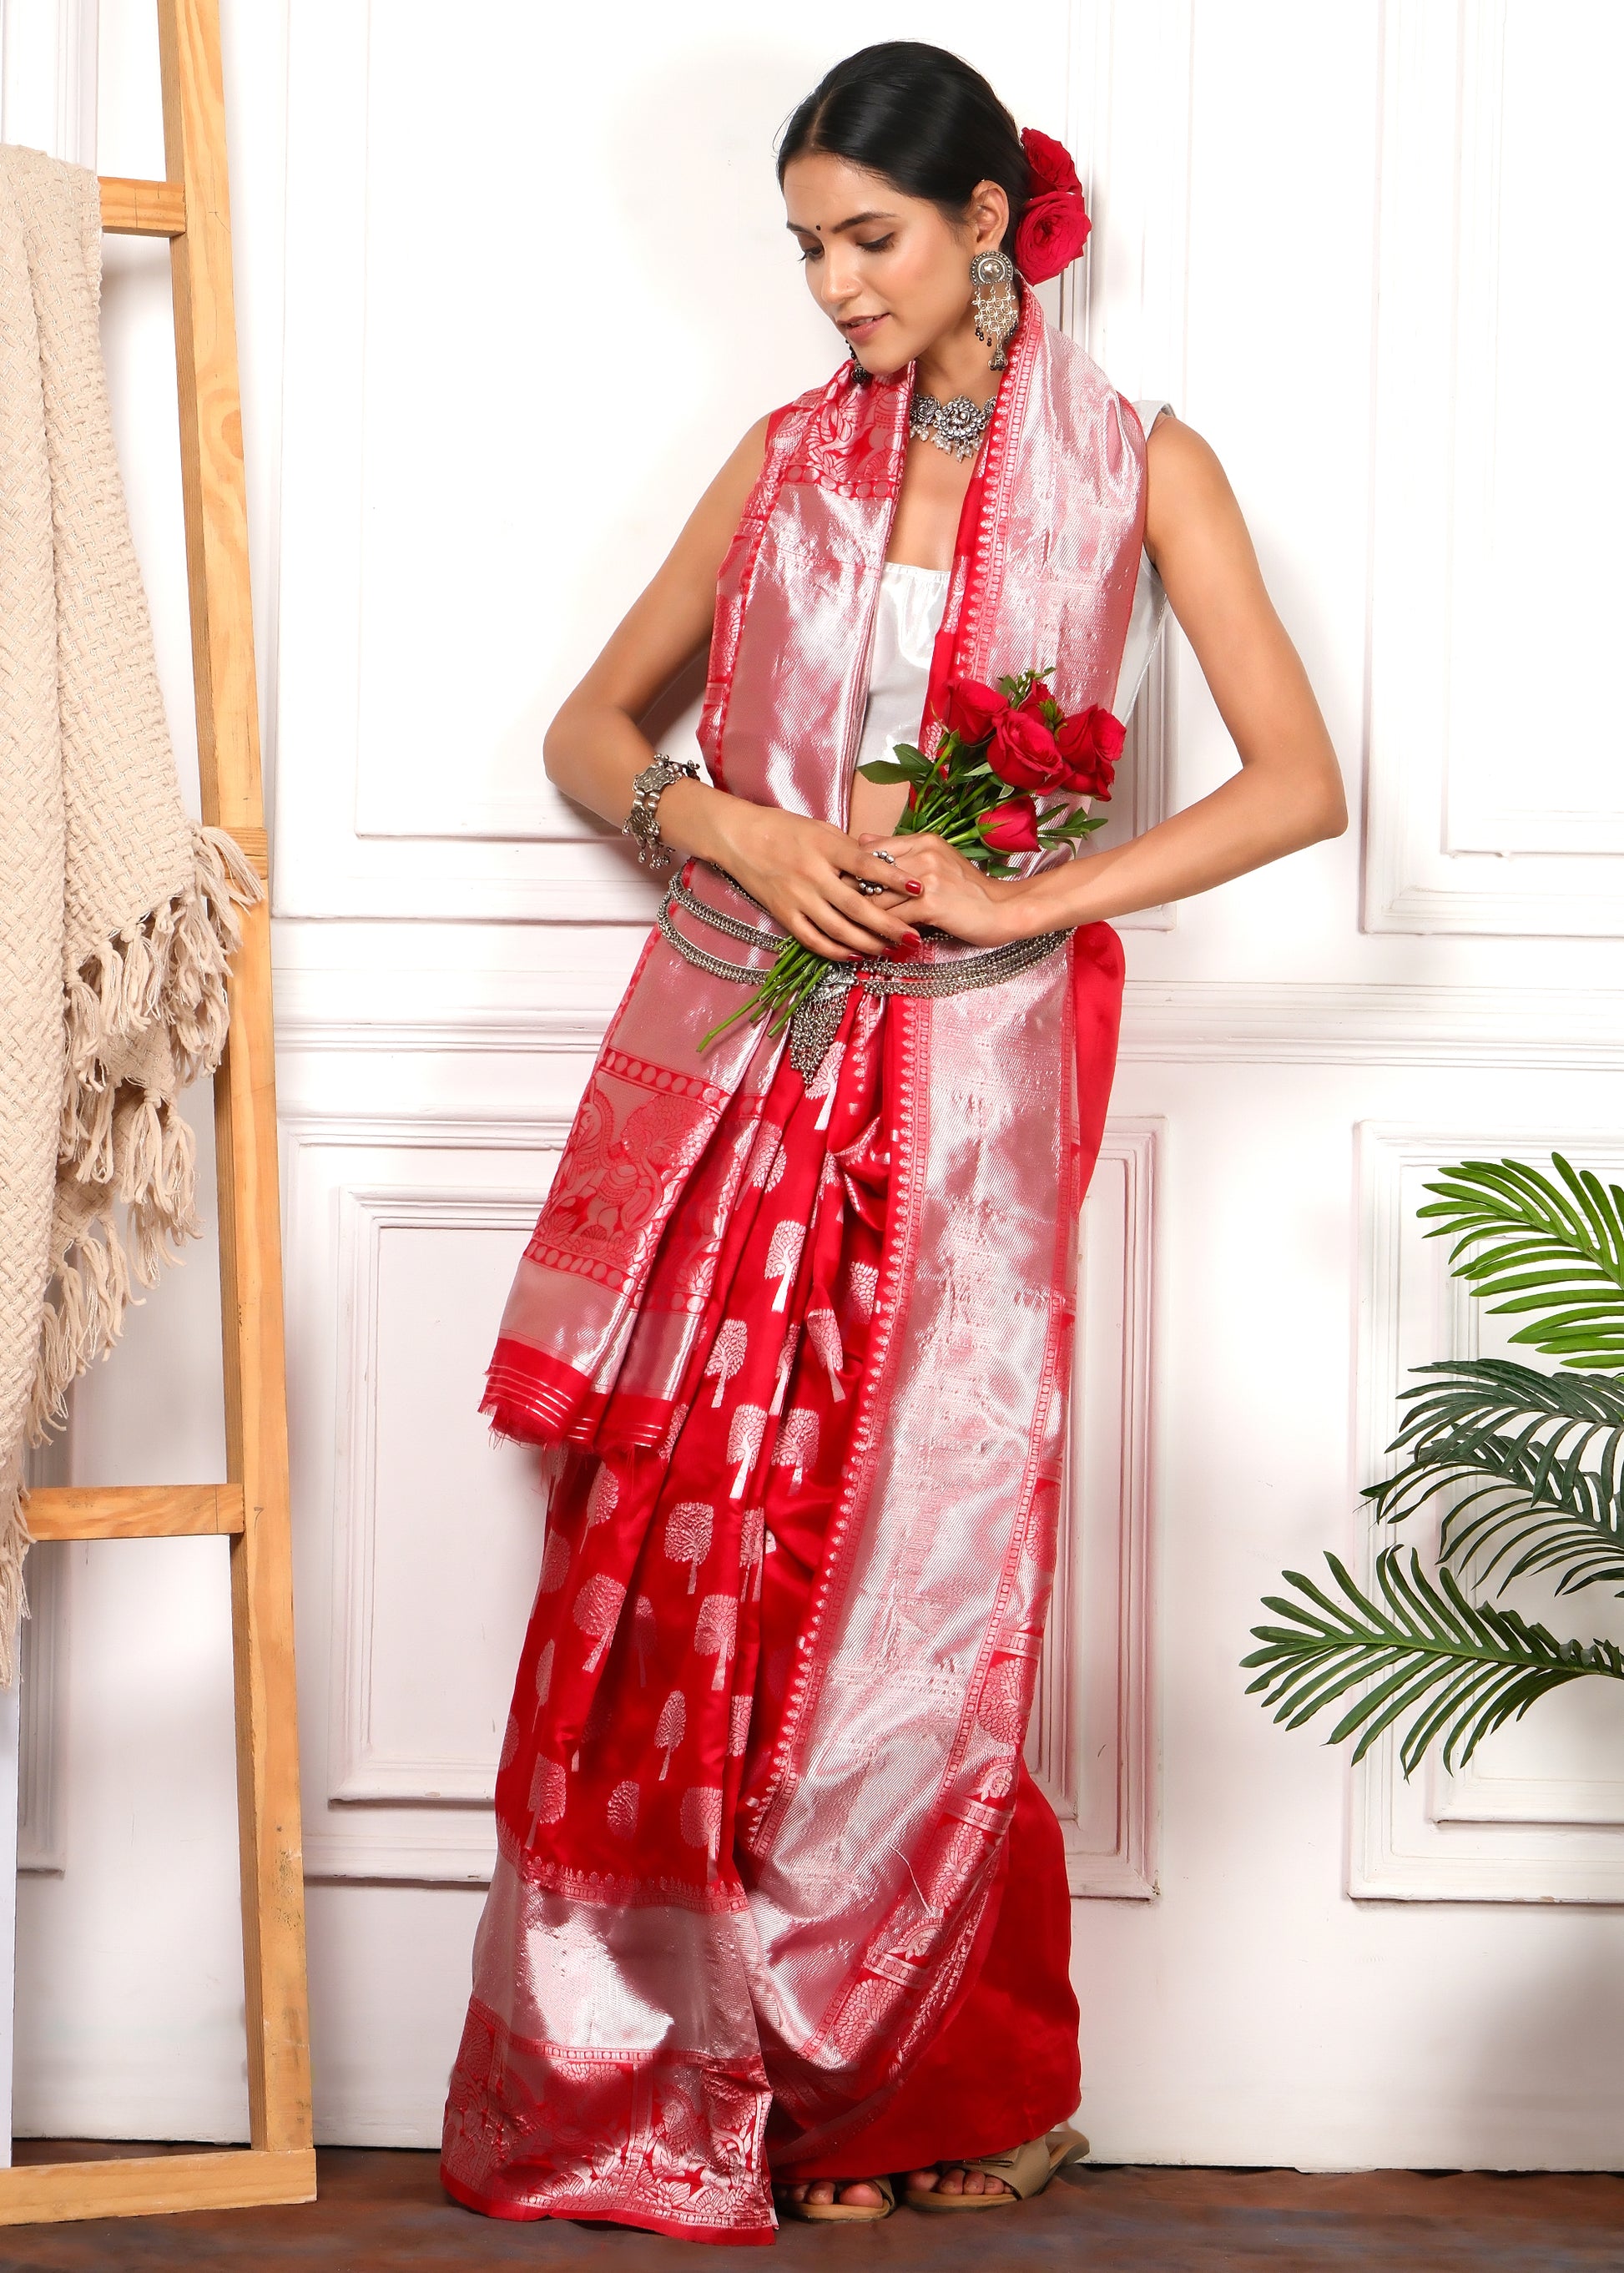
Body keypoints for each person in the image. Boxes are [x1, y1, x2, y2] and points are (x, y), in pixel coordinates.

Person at [439, 40, 1345, 2245]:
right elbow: (588, 724)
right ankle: (682, 2069)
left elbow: (1292, 779)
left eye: (869, 239)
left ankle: (925, 2085)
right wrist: (729, 817)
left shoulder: (1141, 469)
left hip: (965, 1107)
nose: (834, 285)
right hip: (747, 1068)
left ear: (985, 228)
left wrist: (1029, 895)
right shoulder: (777, 465)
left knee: (912, 1582)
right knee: (691, 1552)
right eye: (805, 246)